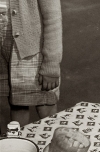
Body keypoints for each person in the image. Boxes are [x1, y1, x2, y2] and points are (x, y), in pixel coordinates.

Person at [0, 0, 62, 131]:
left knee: (45, 102)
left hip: (32, 53)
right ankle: (20, 145)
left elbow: (53, 19)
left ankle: (52, 142)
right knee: (16, 103)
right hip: (4, 54)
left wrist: (51, 64)